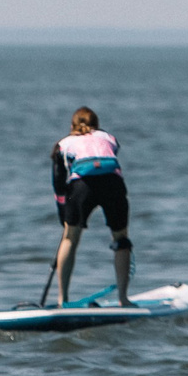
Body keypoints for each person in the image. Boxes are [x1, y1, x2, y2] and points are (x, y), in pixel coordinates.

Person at [48, 106, 132, 308]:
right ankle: (124, 299)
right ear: (97, 125)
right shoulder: (109, 137)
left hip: (82, 186)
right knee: (121, 239)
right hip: (113, 182)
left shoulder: (63, 144)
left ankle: (63, 300)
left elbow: (59, 183)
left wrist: (64, 213)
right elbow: (110, 154)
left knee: (70, 238)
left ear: (72, 126)